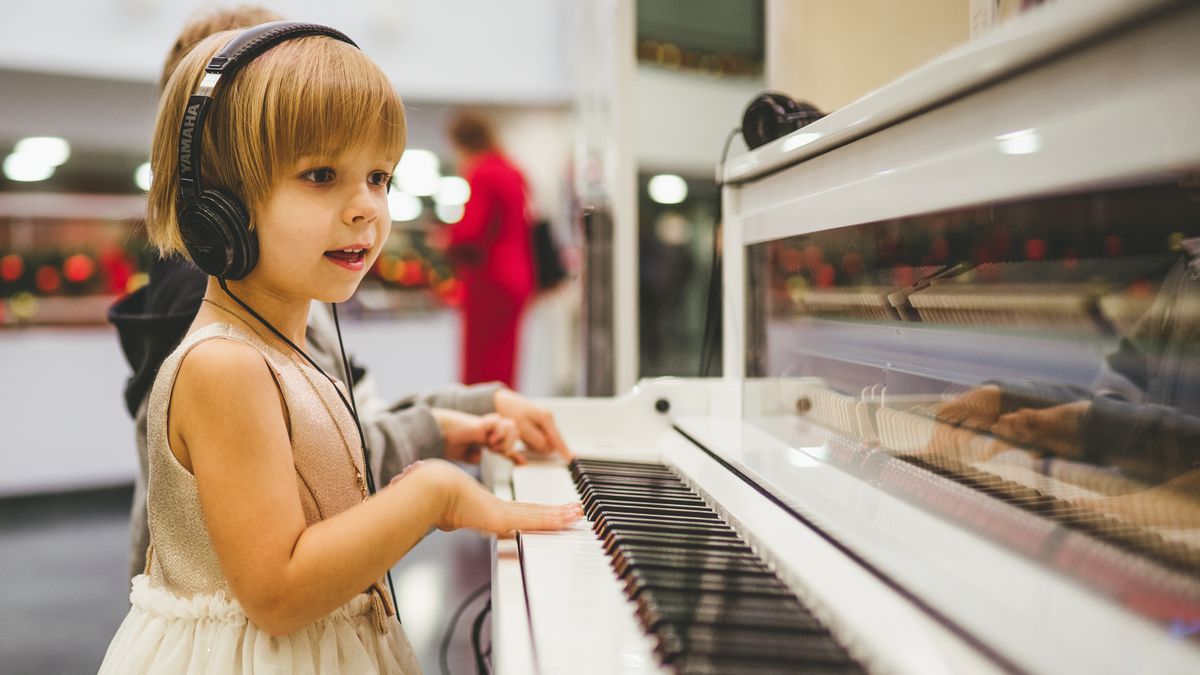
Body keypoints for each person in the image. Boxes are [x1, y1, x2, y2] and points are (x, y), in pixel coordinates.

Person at [99, 23, 580, 673]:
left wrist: (437, 438)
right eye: (322, 174)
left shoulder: (285, 347)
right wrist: (430, 495)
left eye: (380, 176)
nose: (366, 209)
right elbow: (277, 591)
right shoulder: (224, 365)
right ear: (215, 205)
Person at [444, 111, 535, 387]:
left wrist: (447, 238)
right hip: (517, 276)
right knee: (505, 362)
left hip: (490, 281)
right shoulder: (512, 169)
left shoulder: (483, 172)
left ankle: (482, 425)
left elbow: (470, 232)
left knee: (482, 366)